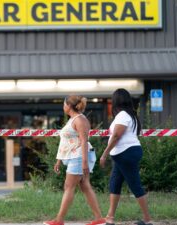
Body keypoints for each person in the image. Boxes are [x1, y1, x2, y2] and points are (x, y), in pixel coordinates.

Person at [44, 95, 105, 225]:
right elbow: (65, 142)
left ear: (69, 105)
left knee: (69, 186)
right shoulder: (73, 119)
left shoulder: (80, 120)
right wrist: (58, 160)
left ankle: (59, 220)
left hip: (79, 156)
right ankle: (99, 218)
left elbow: (84, 141)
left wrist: (84, 162)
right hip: (75, 156)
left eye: (64, 104)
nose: (63, 106)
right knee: (85, 186)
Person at [100, 89, 152, 225]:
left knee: (135, 185)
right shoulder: (130, 115)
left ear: (116, 100)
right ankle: (109, 218)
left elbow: (117, 136)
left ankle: (148, 220)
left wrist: (104, 154)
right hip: (124, 153)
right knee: (115, 184)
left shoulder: (123, 115)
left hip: (125, 153)